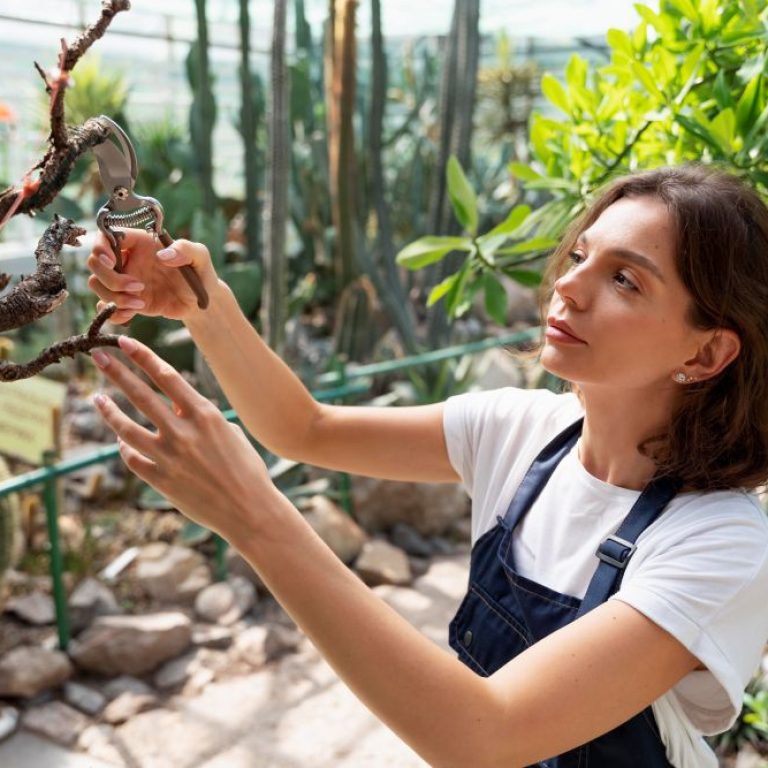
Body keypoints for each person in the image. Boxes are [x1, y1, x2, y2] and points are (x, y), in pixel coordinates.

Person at [85, 164, 768, 768]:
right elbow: (303, 428)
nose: (568, 285)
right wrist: (201, 303)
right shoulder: (520, 430)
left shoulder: (722, 542)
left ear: (706, 353)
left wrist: (254, 517)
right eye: (581, 255)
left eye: (624, 279)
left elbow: (484, 737)